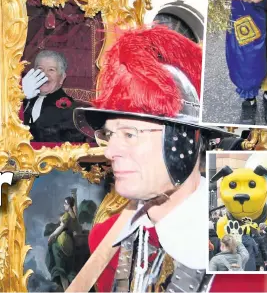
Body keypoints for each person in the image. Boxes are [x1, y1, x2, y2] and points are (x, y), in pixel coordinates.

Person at [67, 25, 246, 292]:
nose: (109, 151)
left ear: (186, 138)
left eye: (129, 134)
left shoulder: (250, 242)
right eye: (108, 134)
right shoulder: (104, 239)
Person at [21, 50, 86, 142]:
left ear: (62, 78)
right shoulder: (22, 99)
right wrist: (20, 96)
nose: (44, 74)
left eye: (51, 70)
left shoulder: (71, 111)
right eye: (40, 69)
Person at [46, 197, 81, 291]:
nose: (64, 205)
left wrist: (52, 235)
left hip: (63, 242)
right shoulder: (74, 217)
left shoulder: (67, 215)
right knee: (70, 270)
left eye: (65, 203)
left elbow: (61, 227)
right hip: (71, 243)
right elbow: (78, 230)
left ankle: (66, 290)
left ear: (69, 205)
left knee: (60, 268)